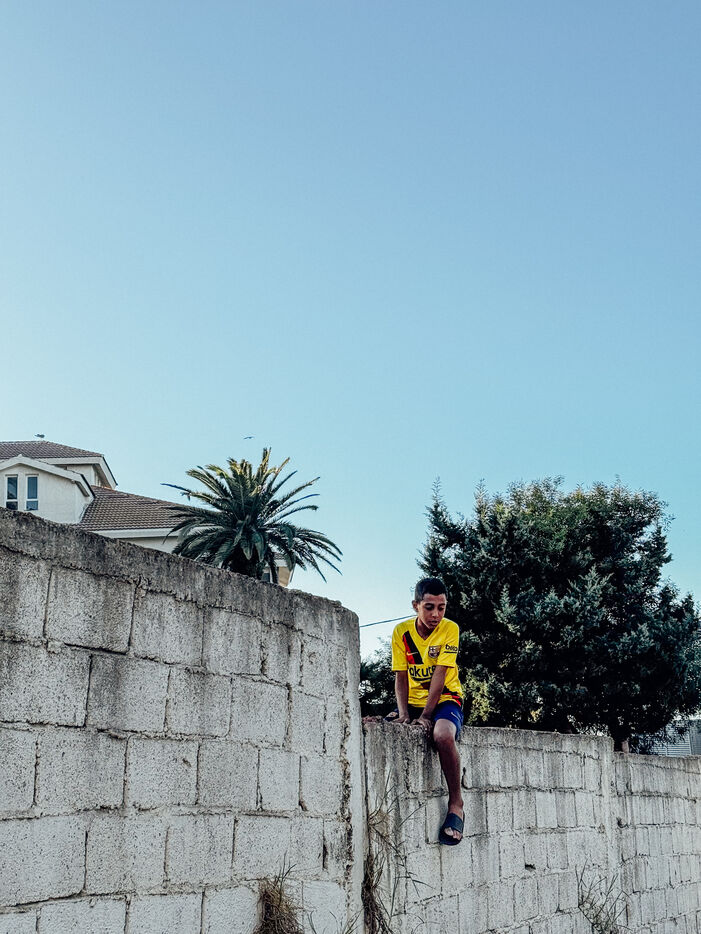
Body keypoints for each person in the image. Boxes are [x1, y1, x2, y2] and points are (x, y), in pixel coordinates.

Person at [388, 577, 464, 845]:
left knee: (442, 735)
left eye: (441, 608)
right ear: (416, 605)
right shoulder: (401, 632)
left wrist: (426, 716)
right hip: (414, 701)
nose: (436, 615)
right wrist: (403, 713)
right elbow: (401, 676)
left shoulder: (450, 629)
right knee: (387, 723)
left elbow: (440, 675)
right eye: (429, 607)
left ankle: (456, 804)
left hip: (446, 698)